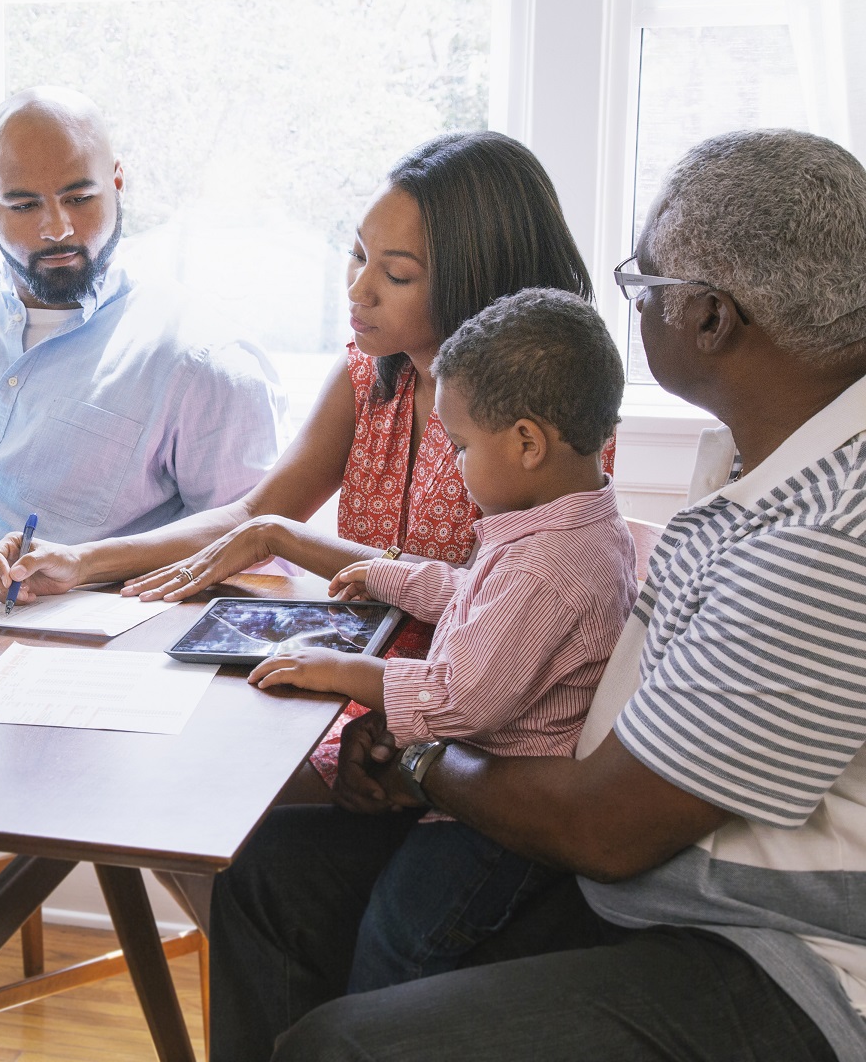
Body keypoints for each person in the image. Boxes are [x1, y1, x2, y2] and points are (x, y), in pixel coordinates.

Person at [210, 129, 866, 1062]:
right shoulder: (766, 456)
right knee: (267, 881)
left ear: (712, 319)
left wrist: (416, 756)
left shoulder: (828, 536)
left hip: (775, 954)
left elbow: (605, 827)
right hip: (660, 869)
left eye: (647, 286)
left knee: (347, 1043)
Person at [0, 129, 604, 789]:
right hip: (345, 683)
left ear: (478, 281)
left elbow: (492, 625)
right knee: (147, 761)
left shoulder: (545, 420)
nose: (358, 289)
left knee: (184, 787)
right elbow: (255, 512)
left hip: (460, 727)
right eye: (356, 255)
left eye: (395, 274)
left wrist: (286, 548)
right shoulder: (368, 372)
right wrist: (80, 561)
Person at [245, 288, 636, 992]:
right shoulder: (569, 528)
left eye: (459, 446)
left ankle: (373, 1034)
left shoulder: (546, 565)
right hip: (474, 797)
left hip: (496, 829)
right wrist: (392, 577)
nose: (453, 464)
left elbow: (461, 699)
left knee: (402, 942)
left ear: (525, 442)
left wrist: (340, 672)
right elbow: (477, 600)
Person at [0, 85, 281, 547]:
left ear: (117, 182)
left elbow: (250, 560)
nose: (56, 229)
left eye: (80, 198)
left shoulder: (203, 364)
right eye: (24, 206)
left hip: (77, 616)